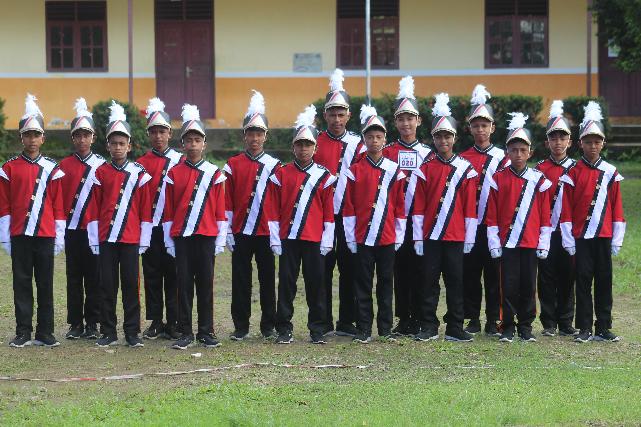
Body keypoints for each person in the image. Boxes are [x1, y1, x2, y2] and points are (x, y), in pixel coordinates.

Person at [266, 105, 336, 345]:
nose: (303, 149)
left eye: (308, 144)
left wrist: (328, 238)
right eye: (299, 144)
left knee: (316, 285)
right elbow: (272, 209)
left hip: (314, 239)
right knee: (286, 285)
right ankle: (284, 328)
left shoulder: (324, 176)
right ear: (293, 147)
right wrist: (275, 237)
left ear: (315, 148)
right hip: (289, 238)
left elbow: (329, 211)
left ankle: (317, 328)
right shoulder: (281, 174)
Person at [0, 94, 65, 348]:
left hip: (45, 234)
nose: (32, 139)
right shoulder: (9, 168)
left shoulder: (52, 168)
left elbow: (58, 205)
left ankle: (45, 332)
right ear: (21, 137)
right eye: (27, 135)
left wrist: (59, 234)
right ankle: (23, 331)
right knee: (22, 283)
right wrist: (5, 235)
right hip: (20, 234)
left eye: (36, 135)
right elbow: (4, 205)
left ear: (43, 138)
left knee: (45, 284)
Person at [85, 101, 152, 348]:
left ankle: (132, 332)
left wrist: (144, 238)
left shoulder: (139, 174)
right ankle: (108, 331)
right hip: (107, 238)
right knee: (107, 286)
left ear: (129, 146)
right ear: (107, 146)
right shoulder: (100, 173)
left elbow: (145, 209)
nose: (118, 147)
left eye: (122, 143)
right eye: (113, 143)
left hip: (131, 238)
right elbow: (93, 208)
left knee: (131, 286)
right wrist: (94, 238)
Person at [411, 93, 477, 342]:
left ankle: (455, 326)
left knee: (456, 282)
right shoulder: (424, 169)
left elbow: (470, 208)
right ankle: (428, 325)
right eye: (439, 136)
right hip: (430, 236)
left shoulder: (466, 170)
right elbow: (418, 207)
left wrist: (469, 237)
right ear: (433, 139)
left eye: (447, 136)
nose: (443, 140)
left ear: (455, 138)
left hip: (456, 236)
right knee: (428, 282)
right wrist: (418, 237)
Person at [559, 101, 625, 343]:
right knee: (583, 281)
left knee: (604, 282)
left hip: (604, 236)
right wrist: (568, 239)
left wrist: (616, 238)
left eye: (597, 142)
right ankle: (585, 327)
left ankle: (604, 326)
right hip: (582, 237)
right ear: (580, 144)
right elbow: (566, 209)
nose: (593, 146)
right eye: (588, 142)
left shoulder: (610, 172)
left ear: (603, 143)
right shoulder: (573, 173)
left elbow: (617, 207)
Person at [163, 104, 227, 350]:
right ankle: (185, 331)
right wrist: (169, 240)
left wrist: (220, 239)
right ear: (182, 144)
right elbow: (169, 209)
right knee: (183, 285)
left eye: (197, 140)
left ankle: (206, 331)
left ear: (204, 144)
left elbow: (220, 209)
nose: (192, 145)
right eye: (188, 140)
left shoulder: (214, 173)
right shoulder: (173, 174)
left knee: (205, 285)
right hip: (182, 237)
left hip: (206, 236)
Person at [485, 112, 552, 343]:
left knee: (528, 286)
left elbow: (545, 214)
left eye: (523, 150)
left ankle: (525, 326)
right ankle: (507, 326)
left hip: (530, 242)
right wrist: (494, 241)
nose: (519, 154)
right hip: (507, 243)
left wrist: (544, 241)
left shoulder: (539, 180)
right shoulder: (498, 178)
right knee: (508, 286)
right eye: (514, 150)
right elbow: (492, 214)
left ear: (530, 152)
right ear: (507, 152)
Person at [343, 105, 406, 343]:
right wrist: (350, 237)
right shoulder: (354, 170)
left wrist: (399, 234)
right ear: (364, 140)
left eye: (379, 137)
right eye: (370, 137)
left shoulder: (394, 170)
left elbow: (400, 206)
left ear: (385, 139)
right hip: (363, 237)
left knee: (386, 283)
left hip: (387, 237)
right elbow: (349, 206)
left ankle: (385, 328)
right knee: (362, 285)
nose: (374, 141)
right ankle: (363, 328)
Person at [224, 90, 280, 340]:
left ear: (265, 136)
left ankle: (268, 325)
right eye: (250, 133)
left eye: (259, 133)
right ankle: (241, 325)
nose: (254, 138)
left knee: (267, 280)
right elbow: (227, 200)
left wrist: (277, 232)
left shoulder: (275, 165)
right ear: (244, 135)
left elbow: (278, 201)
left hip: (266, 232)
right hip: (241, 231)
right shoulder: (233, 164)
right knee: (240, 280)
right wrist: (227, 229)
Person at [314, 69, 364, 337]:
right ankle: (322, 322)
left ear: (348, 115)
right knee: (322, 269)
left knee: (349, 268)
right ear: (325, 115)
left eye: (341, 114)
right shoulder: (314, 142)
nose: (336, 119)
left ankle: (347, 320)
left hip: (348, 216)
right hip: (322, 216)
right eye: (332, 114)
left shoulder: (358, 144)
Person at [382, 76, 432, 336]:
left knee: (422, 270)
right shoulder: (388, 152)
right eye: (401, 119)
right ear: (395, 123)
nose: (405, 123)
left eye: (410, 118)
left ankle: (422, 317)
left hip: (421, 221)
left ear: (419, 121)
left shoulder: (429, 153)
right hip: (396, 221)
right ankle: (403, 318)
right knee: (399, 270)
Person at [459, 84, 509, 337]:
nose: (480, 130)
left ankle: (493, 319)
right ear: (469, 128)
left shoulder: (503, 157)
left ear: (492, 128)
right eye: (476, 125)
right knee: (470, 274)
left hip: (493, 226)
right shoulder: (462, 158)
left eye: (484, 125)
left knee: (494, 275)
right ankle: (472, 318)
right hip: (469, 226)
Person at [136, 97, 183, 341]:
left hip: (172, 226)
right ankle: (155, 320)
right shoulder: (140, 163)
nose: (158, 136)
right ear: (148, 134)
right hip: (150, 227)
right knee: (152, 273)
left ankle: (174, 321)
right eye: (153, 132)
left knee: (174, 274)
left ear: (170, 133)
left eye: (162, 131)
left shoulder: (181, 161)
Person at [59, 97, 105, 340]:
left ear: (93, 138)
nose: (82, 140)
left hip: (94, 231)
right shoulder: (63, 166)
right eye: (77, 135)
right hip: (72, 230)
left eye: (86, 135)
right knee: (74, 277)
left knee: (94, 278)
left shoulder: (102, 165)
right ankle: (75, 323)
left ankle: (93, 323)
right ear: (72, 138)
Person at [534, 100, 577, 337]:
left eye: (562, 138)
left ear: (570, 141)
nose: (558, 142)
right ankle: (549, 322)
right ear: (546, 142)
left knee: (568, 276)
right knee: (546, 277)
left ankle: (566, 321)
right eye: (553, 138)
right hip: (547, 232)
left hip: (569, 233)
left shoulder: (577, 169)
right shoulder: (539, 170)